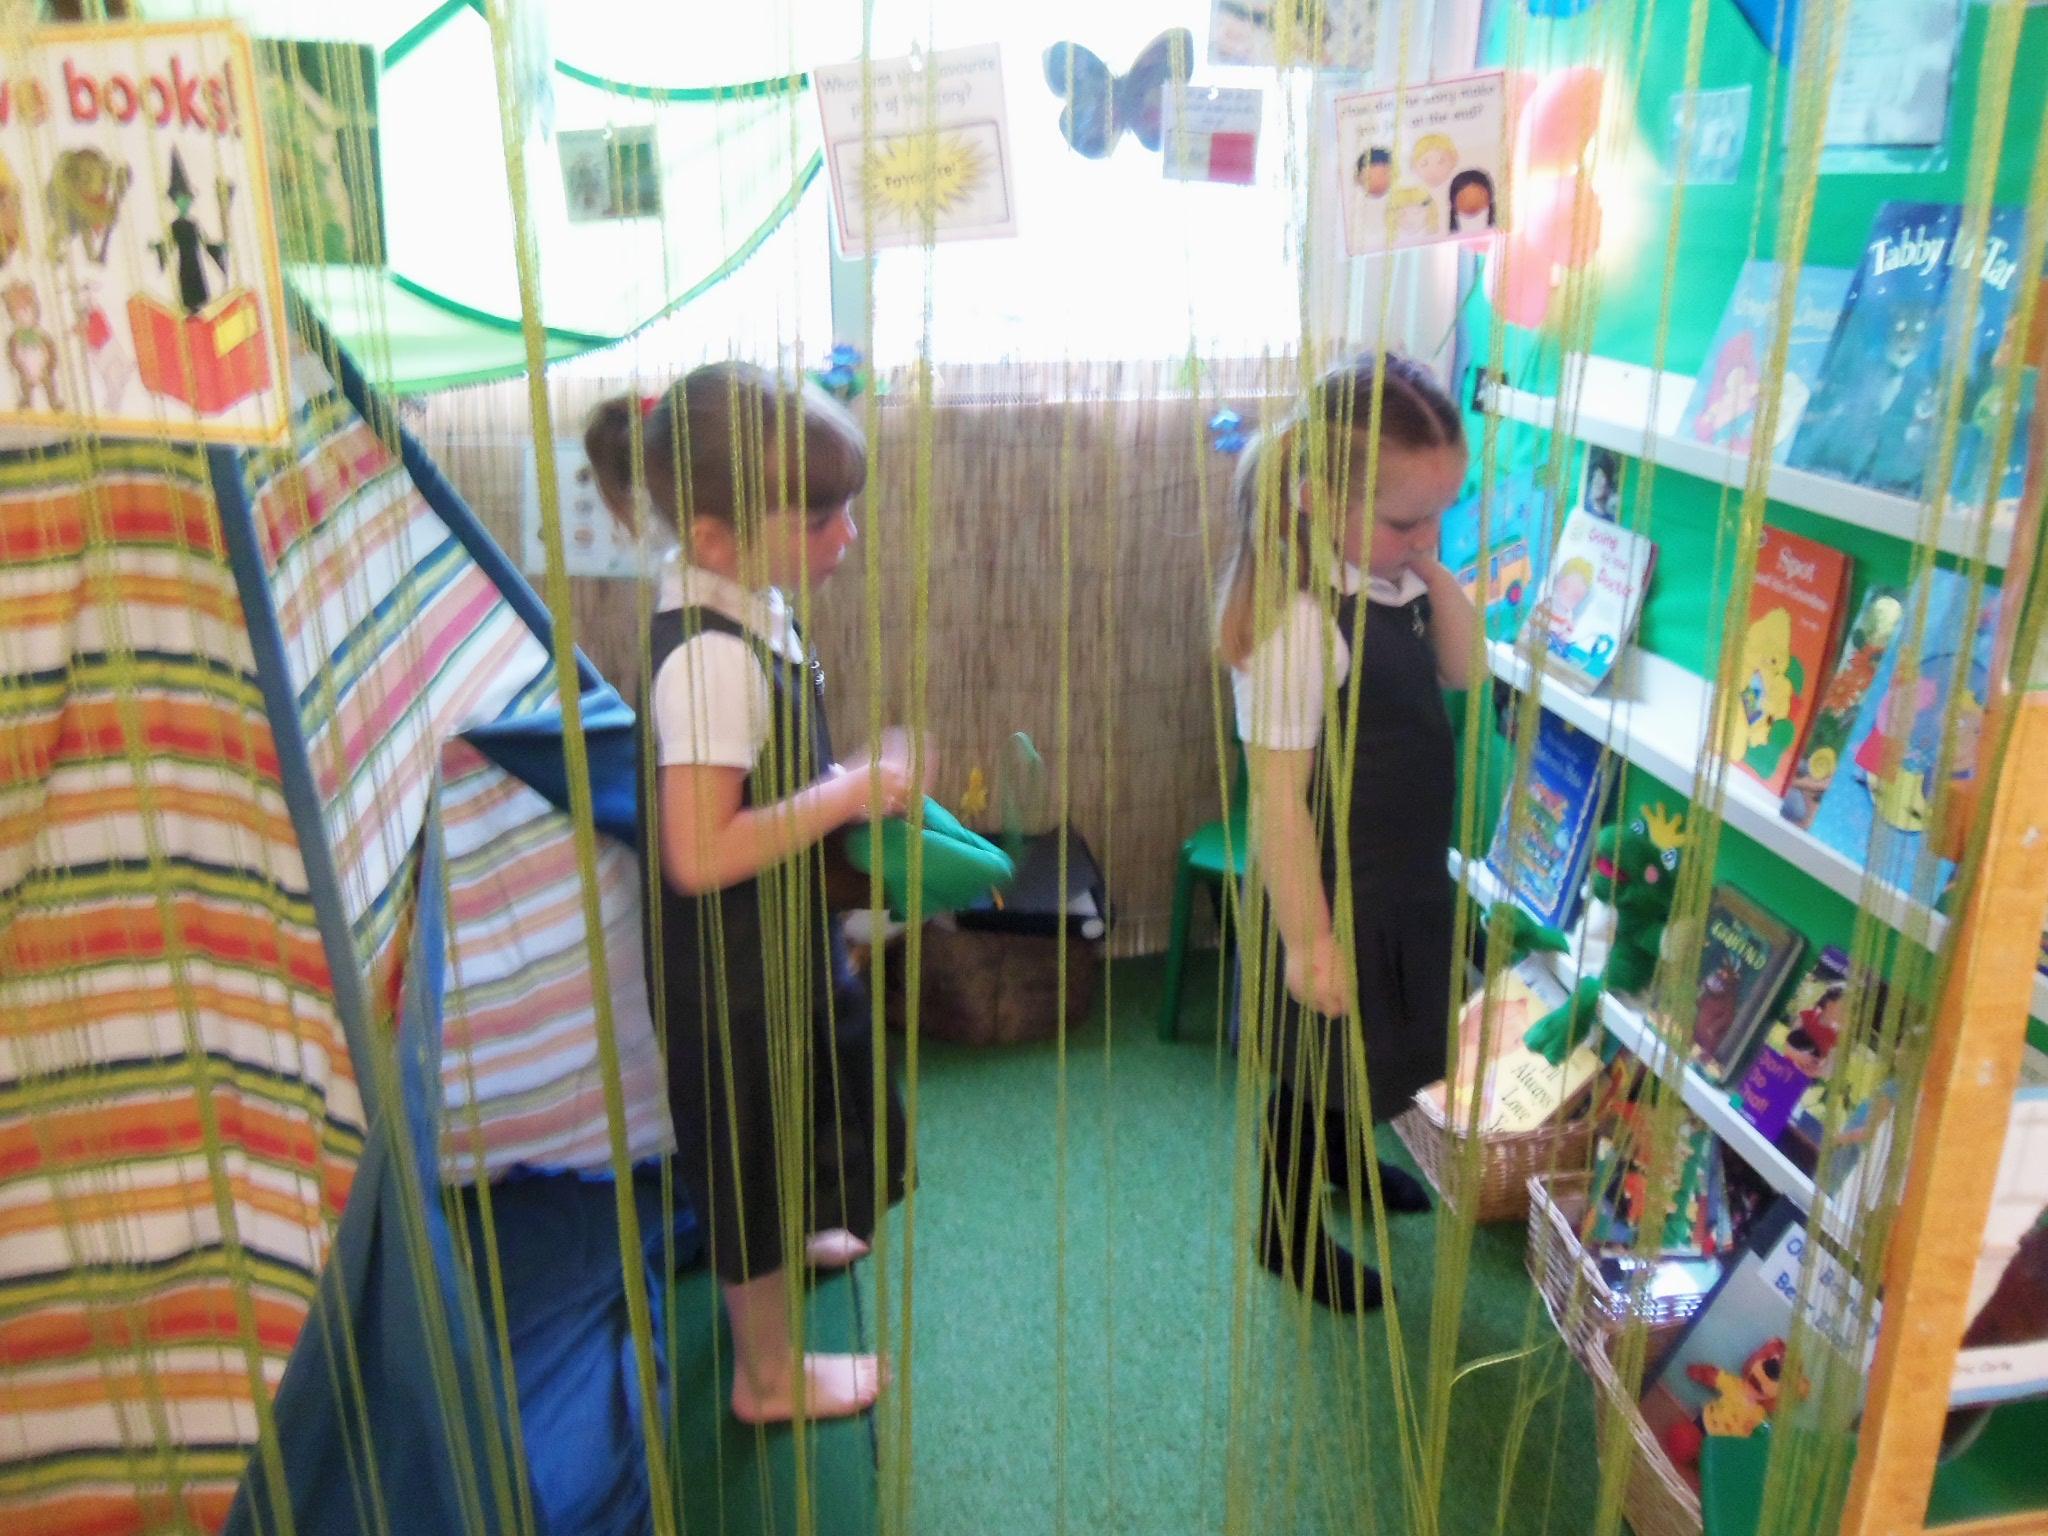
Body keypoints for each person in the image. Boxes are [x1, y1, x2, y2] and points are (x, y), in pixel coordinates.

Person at [585, 362, 916, 1422]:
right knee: (748, 1157)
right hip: (729, 972)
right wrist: (843, 795)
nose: (846, 535)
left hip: (777, 939)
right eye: (819, 517)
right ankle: (766, 1377)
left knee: (799, 1106)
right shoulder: (711, 660)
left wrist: (840, 783)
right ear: (717, 538)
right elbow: (697, 852)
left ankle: (803, 1223)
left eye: (846, 507)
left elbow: (760, 776)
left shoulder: (749, 607)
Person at [1214, 355, 1475, 1313]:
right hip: (1328, 891)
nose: (1426, 538)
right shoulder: (1298, 623)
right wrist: (1308, 941)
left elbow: (1464, 672)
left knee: (1365, 1056)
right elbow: (1277, 800)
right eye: (1407, 522)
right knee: (1311, 1068)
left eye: (1442, 516)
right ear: (1319, 501)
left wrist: (1433, 571)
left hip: (1401, 880)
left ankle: (1340, 1155)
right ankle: (1286, 1231)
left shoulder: (1396, 584)